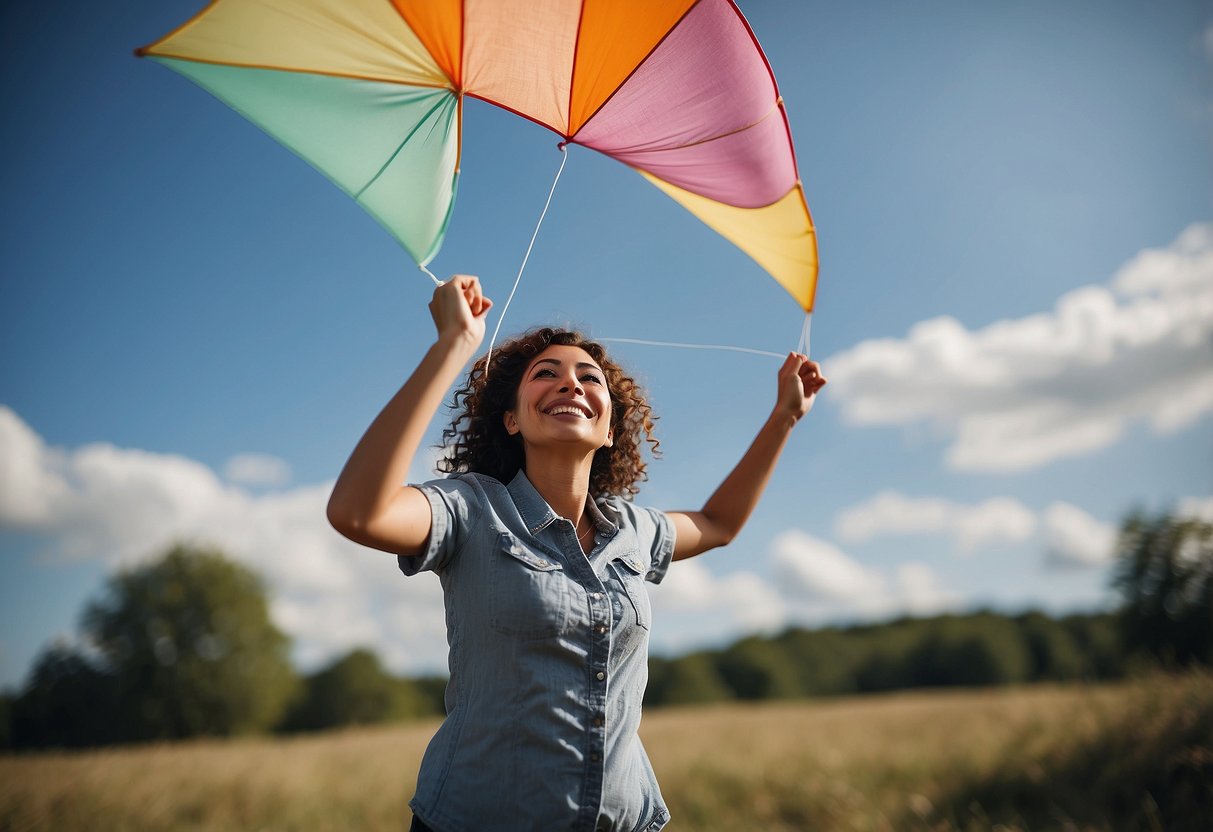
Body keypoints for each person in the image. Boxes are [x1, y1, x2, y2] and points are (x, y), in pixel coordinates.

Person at [327, 275, 827, 832]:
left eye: (589, 378)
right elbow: (358, 513)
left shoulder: (634, 530)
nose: (571, 384)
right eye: (546, 374)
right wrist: (453, 346)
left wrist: (785, 415)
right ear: (511, 418)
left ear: (611, 427)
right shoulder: (471, 508)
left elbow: (719, 523)